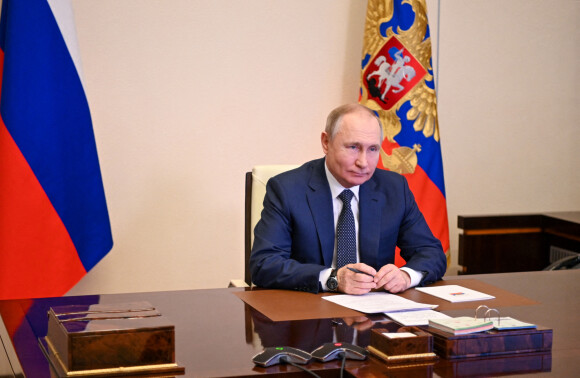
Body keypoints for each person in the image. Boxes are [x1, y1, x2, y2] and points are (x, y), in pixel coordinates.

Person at [249, 103, 446, 294]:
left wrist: (406, 275)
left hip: (374, 313)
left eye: (373, 149)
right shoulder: (287, 189)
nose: (363, 162)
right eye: (353, 147)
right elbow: (264, 264)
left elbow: (431, 253)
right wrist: (333, 279)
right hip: (310, 311)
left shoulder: (394, 188)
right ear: (326, 142)